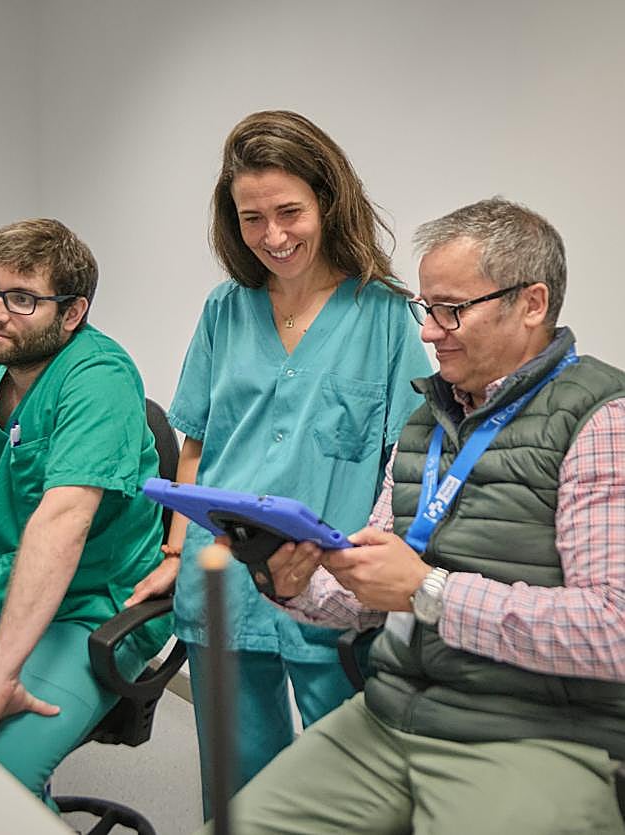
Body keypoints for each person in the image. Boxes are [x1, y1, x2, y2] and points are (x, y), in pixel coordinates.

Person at [205, 197, 625, 834]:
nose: (429, 332)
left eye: (452, 310)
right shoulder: (427, 420)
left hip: (538, 735)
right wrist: (293, 583)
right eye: (427, 309)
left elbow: (614, 631)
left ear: (532, 304)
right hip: (391, 713)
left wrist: (429, 591)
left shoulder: (601, 421)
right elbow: (375, 595)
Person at [126, 110, 431, 815]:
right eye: (251, 218)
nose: (272, 236)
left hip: (331, 587)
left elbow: (410, 455)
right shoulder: (225, 309)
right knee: (237, 793)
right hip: (222, 578)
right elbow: (196, 442)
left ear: (327, 199)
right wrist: (175, 551)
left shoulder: (382, 313)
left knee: (345, 792)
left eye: (289, 211)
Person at [0, 218, 172, 804]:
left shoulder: (98, 378)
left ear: (73, 312)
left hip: (88, 616)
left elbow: (61, 525)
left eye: (22, 298)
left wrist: (3, 670)